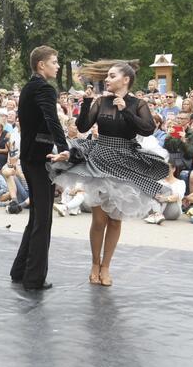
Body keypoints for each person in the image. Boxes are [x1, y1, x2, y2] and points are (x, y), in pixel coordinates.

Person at [50, 61, 168, 287]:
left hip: (125, 159)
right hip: (101, 158)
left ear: (126, 80)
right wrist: (85, 102)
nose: (107, 79)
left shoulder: (138, 103)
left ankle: (106, 266)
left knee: (115, 220)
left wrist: (125, 110)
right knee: (99, 218)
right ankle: (95, 263)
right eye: (107, 75)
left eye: (112, 75)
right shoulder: (101, 101)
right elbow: (84, 127)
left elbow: (147, 129)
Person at [9, 46, 69, 291]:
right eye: (54, 62)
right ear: (41, 65)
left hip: (30, 156)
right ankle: (33, 278)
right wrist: (65, 147)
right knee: (42, 219)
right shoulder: (44, 88)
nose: (57, 66)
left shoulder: (29, 87)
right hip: (40, 158)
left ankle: (20, 270)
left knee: (36, 216)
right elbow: (51, 119)